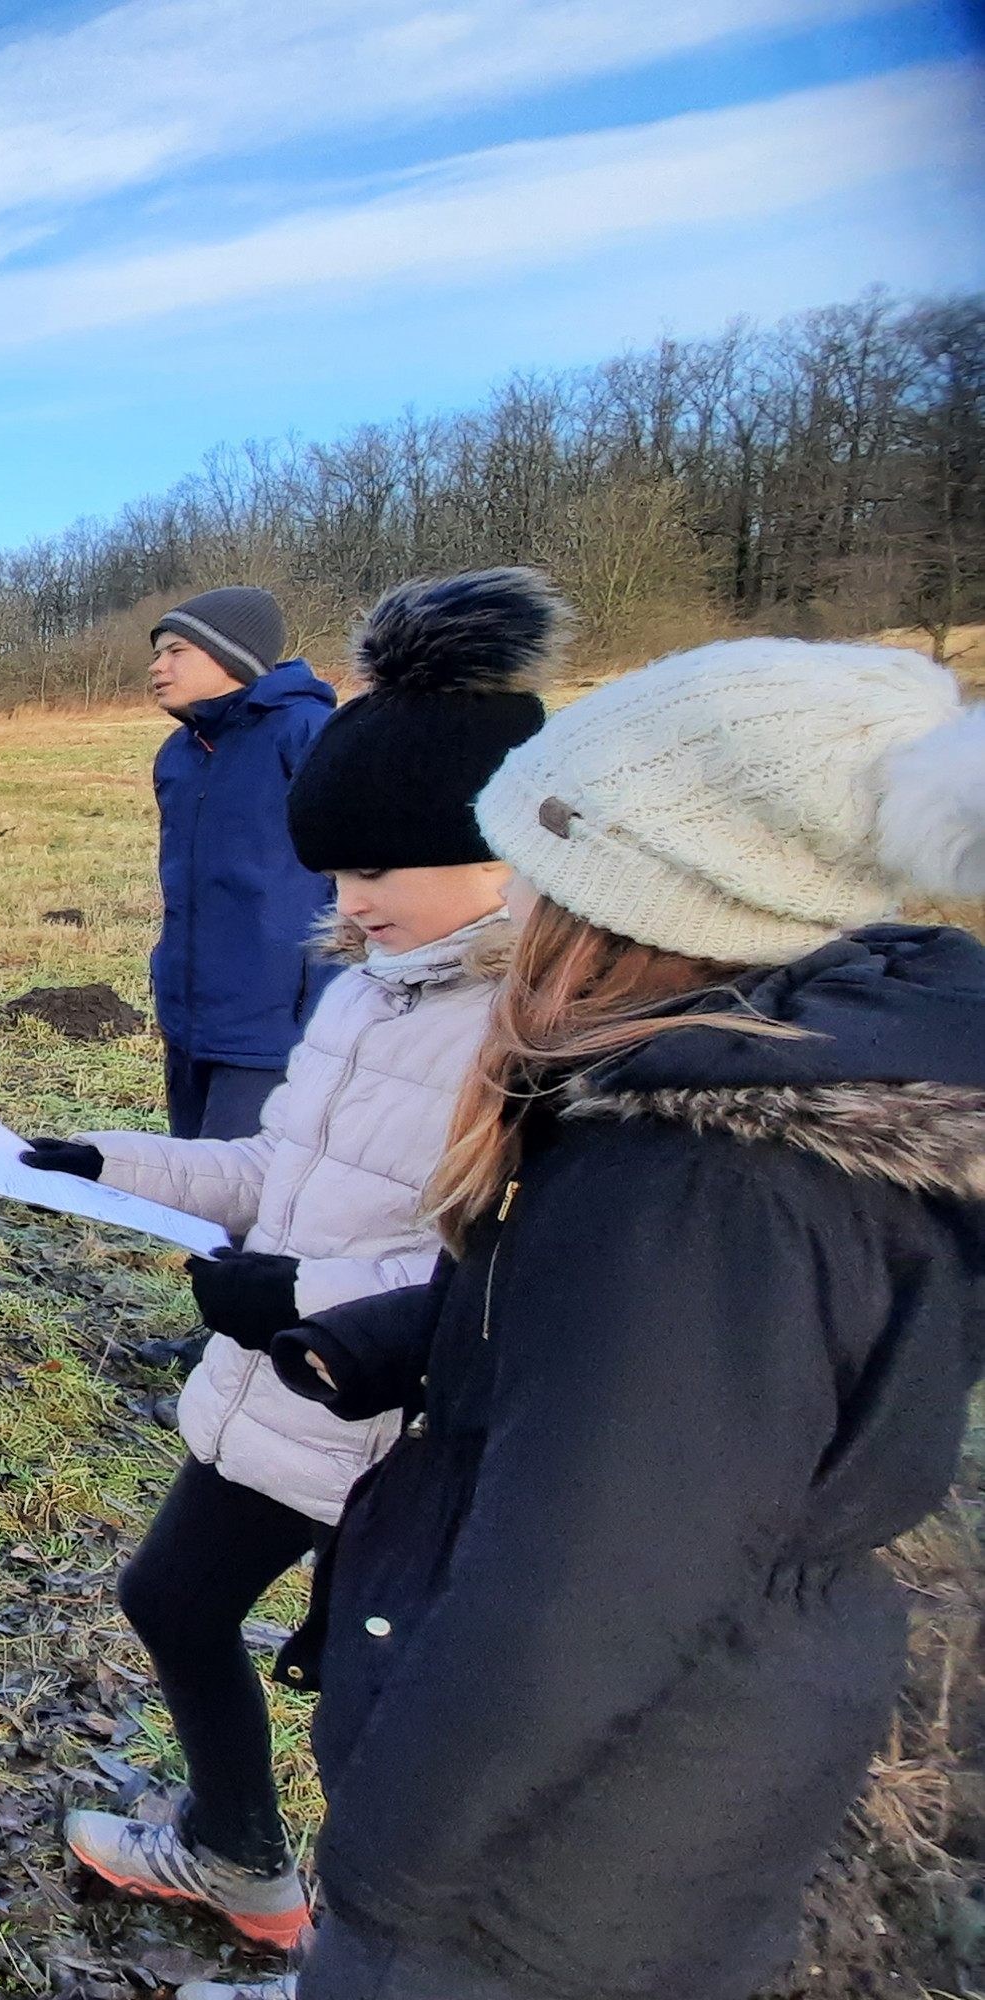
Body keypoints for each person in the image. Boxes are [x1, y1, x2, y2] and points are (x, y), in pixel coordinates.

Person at [255, 640, 984, 2000]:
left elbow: (578, 1596)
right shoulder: (794, 1084)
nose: (514, 895)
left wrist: (385, 1878)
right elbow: (674, 1388)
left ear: (641, 886)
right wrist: (391, 1338)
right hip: (675, 1781)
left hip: (543, 1868)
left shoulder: (698, 1185)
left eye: (536, 860)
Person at [27, 570, 557, 1963]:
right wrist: (105, 1160)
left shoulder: (534, 1031)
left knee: (392, 1711)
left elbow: (508, 1264)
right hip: (289, 1391)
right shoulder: (372, 987)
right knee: (172, 1597)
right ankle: (242, 1857)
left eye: (377, 870)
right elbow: (277, 1167)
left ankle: (364, 1940)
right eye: (335, 872)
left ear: (496, 849)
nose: (351, 901)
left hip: (400, 1430)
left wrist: (298, 1299)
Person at [146, 586, 339, 1140]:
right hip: (188, 1021)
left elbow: (362, 870)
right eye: (156, 654)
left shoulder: (308, 733)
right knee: (189, 1179)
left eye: (176, 651)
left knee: (244, 1184)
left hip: (274, 1024)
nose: (157, 668)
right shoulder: (178, 753)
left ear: (232, 656)